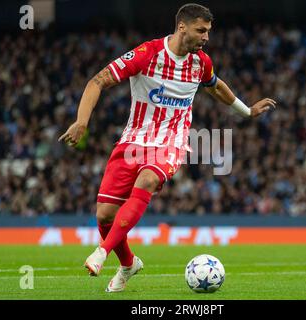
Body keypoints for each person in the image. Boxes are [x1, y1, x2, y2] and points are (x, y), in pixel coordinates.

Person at [59, 3, 276, 292]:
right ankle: (128, 264)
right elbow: (97, 81)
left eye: (208, 32)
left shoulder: (201, 63)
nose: (206, 37)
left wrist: (246, 111)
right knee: (104, 216)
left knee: (148, 179)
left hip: (172, 143)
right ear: (182, 27)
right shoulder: (147, 54)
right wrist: (81, 122)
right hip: (133, 140)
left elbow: (216, 86)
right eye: (201, 30)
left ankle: (102, 252)